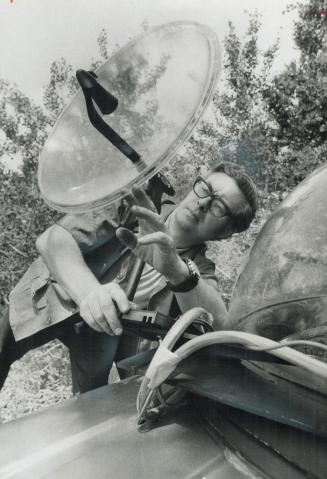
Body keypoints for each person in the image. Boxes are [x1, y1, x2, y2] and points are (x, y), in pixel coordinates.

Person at [0, 164, 257, 394]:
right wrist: (90, 293)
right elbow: (53, 240)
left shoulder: (197, 270)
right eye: (205, 189)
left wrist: (177, 272)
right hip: (53, 296)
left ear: (225, 233)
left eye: (219, 207)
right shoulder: (137, 204)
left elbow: (217, 326)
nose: (203, 203)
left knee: (85, 408)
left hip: (103, 338)